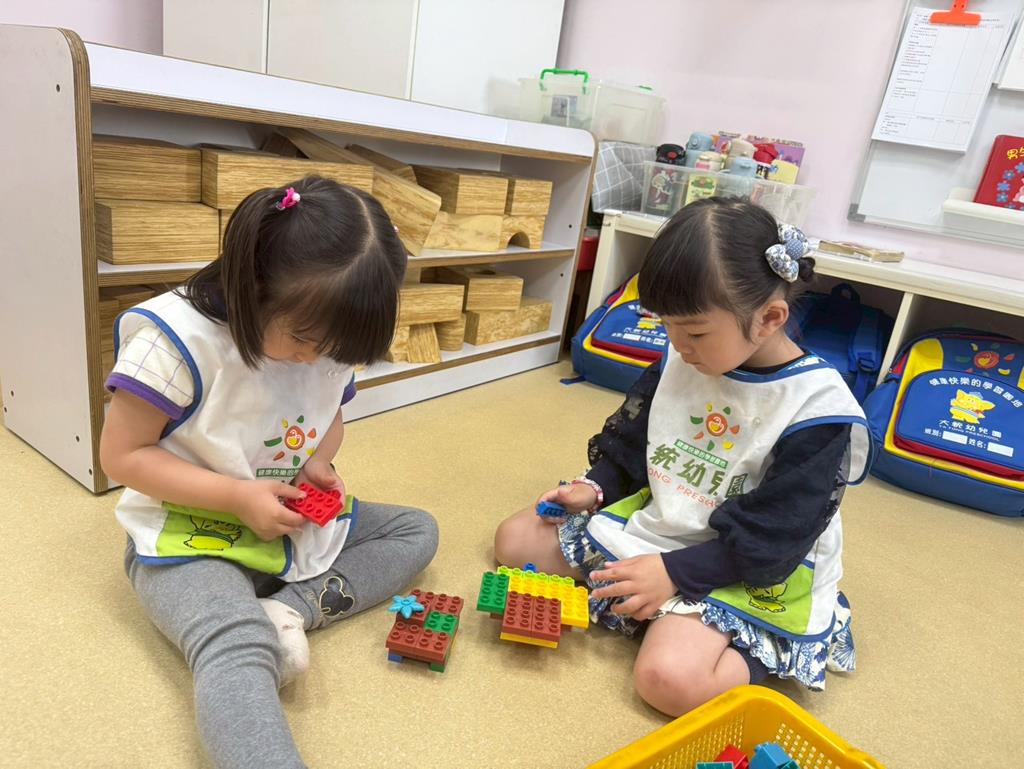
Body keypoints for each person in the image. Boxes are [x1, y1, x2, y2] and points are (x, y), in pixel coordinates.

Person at [100, 176, 439, 768]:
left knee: (417, 530)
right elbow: (123, 456)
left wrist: (318, 461)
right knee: (235, 647)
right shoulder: (174, 343)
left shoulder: (323, 341)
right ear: (253, 284)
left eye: (333, 350)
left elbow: (327, 417)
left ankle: (290, 609)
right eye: (305, 339)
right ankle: (257, 630)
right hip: (188, 537)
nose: (315, 359)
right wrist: (236, 497)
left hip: (283, 523)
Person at [495, 198, 870, 716]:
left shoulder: (817, 409)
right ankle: (660, 609)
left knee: (667, 680)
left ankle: (755, 653)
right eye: (666, 326)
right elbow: (636, 442)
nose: (678, 346)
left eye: (694, 332)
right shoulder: (684, 354)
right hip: (672, 519)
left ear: (769, 318)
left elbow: (775, 537)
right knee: (515, 541)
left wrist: (674, 573)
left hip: (742, 560)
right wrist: (596, 487)